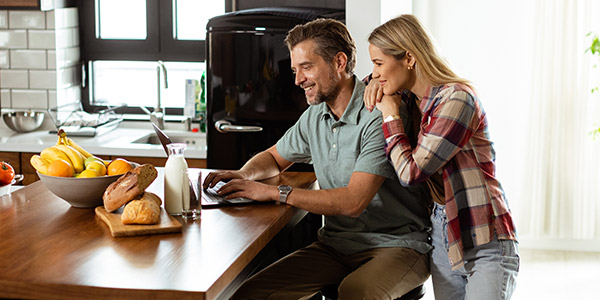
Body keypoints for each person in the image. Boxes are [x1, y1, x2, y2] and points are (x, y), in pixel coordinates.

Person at [203, 18, 432, 300]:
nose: (298, 79)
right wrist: (244, 175)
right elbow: (274, 157)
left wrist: (275, 193)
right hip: (336, 245)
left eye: (306, 67)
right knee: (250, 293)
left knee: (355, 293)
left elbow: (353, 202)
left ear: (339, 62)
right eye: (295, 70)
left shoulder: (377, 113)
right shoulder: (315, 115)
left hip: (398, 246)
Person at [363, 14, 520, 300]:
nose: (374, 73)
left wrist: (390, 113)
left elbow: (411, 173)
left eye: (378, 63)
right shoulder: (410, 97)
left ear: (409, 58)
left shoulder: (457, 99)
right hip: (441, 228)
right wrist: (373, 84)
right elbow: (361, 90)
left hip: (482, 233)